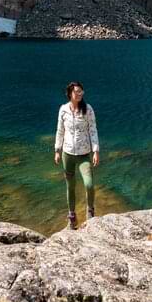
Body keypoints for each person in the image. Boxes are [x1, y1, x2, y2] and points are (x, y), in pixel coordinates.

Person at [54, 81, 99, 230]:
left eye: (81, 92)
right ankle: (72, 217)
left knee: (89, 184)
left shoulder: (88, 109)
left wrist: (96, 150)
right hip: (67, 154)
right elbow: (60, 130)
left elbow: (93, 130)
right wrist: (57, 150)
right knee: (70, 186)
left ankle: (90, 211)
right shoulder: (63, 110)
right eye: (77, 92)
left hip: (84, 154)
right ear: (70, 94)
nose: (80, 94)